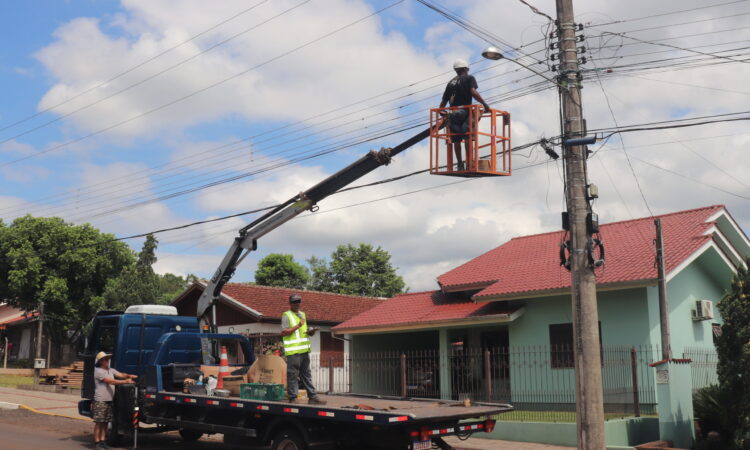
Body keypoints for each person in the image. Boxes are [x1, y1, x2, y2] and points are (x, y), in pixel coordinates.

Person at [439, 59, 492, 171]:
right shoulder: (469, 78)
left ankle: (459, 164)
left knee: (456, 139)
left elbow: (443, 101)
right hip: (466, 111)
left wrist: (441, 111)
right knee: (468, 135)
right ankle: (469, 163)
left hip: (453, 114)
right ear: (465, 69)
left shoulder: (450, 83)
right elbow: (473, 92)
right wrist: (485, 104)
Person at [280, 294, 326, 405]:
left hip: (304, 350)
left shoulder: (302, 315)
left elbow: (303, 332)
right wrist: (298, 326)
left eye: (299, 301)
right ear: (290, 303)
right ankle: (293, 398)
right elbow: (284, 332)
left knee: (306, 374)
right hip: (293, 351)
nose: (297, 304)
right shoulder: (286, 315)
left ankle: (312, 397)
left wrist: (311, 332)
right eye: (295, 302)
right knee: (293, 375)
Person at [92, 351, 137, 449]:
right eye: (105, 359)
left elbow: (121, 374)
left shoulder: (110, 370)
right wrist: (125, 381)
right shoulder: (98, 371)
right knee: (99, 422)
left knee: (106, 422)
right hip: (101, 401)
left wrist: (130, 376)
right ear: (100, 361)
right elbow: (110, 381)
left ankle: (103, 441)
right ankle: (97, 443)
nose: (107, 361)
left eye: (108, 359)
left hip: (109, 400)